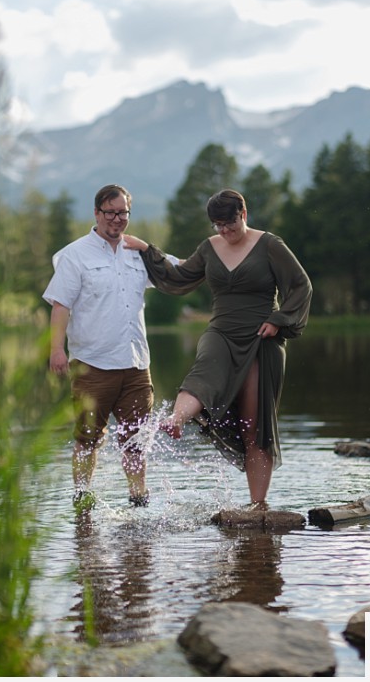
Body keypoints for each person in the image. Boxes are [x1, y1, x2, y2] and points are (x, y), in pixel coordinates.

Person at [122, 189, 312, 506]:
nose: (224, 231)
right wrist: (146, 249)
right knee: (204, 370)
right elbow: (178, 275)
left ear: (244, 215)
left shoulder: (270, 245)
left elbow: (301, 285)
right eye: (217, 225)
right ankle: (176, 420)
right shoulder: (209, 248)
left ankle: (256, 506)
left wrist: (279, 319)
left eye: (229, 223)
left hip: (261, 339)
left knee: (255, 427)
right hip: (221, 330)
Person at [43, 184, 169, 512]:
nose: (116, 219)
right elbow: (60, 306)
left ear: (129, 213)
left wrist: (146, 246)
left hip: (136, 364)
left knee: (136, 439)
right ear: (97, 213)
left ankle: (138, 498)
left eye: (122, 212)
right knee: (87, 437)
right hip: (92, 365)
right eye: (110, 212)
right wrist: (56, 349)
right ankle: (82, 497)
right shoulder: (75, 255)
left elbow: (177, 271)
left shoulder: (138, 254)